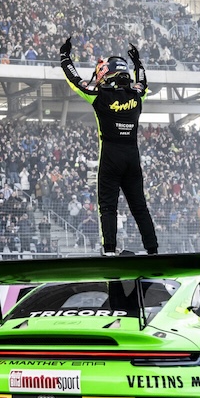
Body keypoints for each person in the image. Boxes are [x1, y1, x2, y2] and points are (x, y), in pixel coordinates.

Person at [59, 36, 158, 256]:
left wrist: (65, 57)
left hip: (111, 157)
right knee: (140, 207)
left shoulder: (98, 95)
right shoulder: (137, 95)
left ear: (105, 74)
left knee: (107, 207)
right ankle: (153, 250)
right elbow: (143, 82)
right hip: (133, 157)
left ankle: (110, 251)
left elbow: (75, 81)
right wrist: (138, 62)